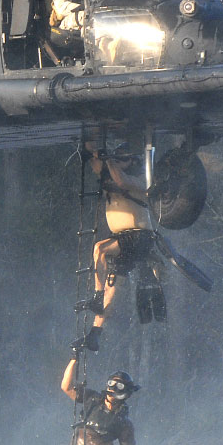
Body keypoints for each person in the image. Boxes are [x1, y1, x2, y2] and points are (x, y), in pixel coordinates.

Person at [77, 146, 163, 350]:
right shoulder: (110, 173)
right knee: (112, 284)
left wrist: (108, 160)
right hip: (124, 238)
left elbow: (122, 181)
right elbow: (97, 164)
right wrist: (93, 152)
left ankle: (97, 298)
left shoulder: (141, 180)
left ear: (132, 162)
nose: (115, 162)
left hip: (139, 236)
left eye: (120, 159)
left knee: (100, 248)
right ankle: (96, 333)